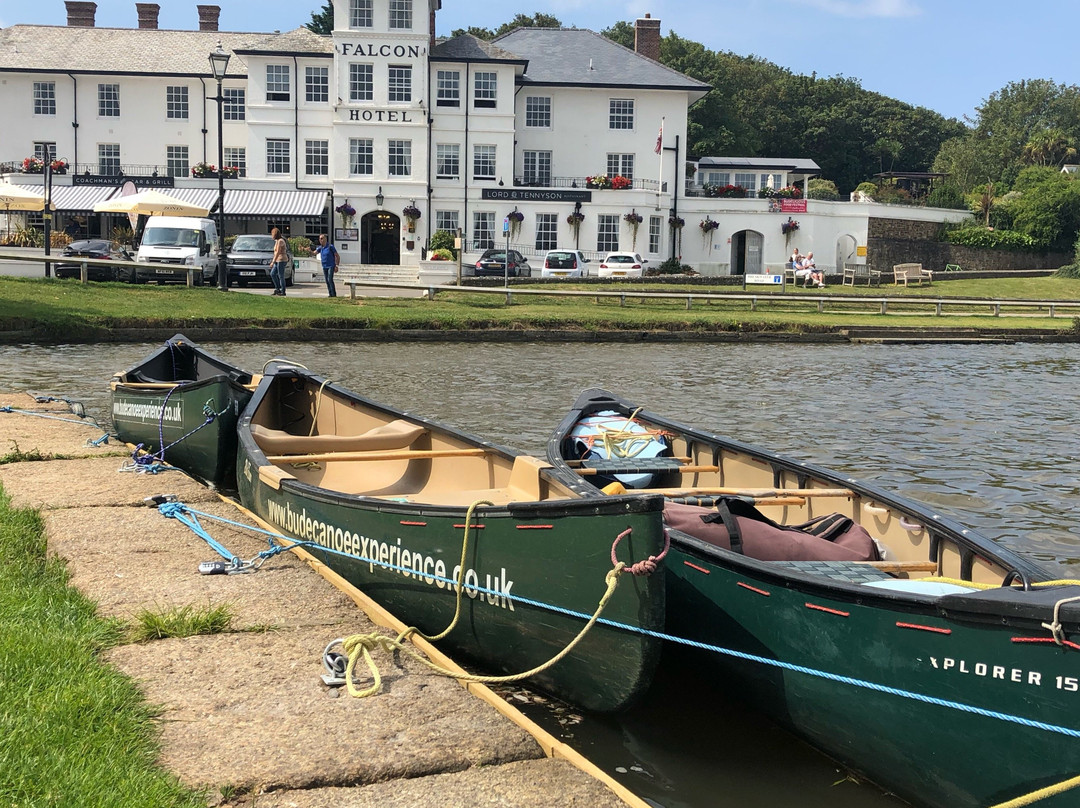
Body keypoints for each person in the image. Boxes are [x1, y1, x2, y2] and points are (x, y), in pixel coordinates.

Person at [269, 228, 288, 296]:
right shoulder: (277, 241)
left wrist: (273, 262)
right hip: (277, 260)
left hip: (281, 260)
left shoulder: (280, 241)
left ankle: (283, 291)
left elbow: (278, 252)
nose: (271, 235)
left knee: (281, 276)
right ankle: (277, 289)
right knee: (273, 274)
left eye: (272, 234)